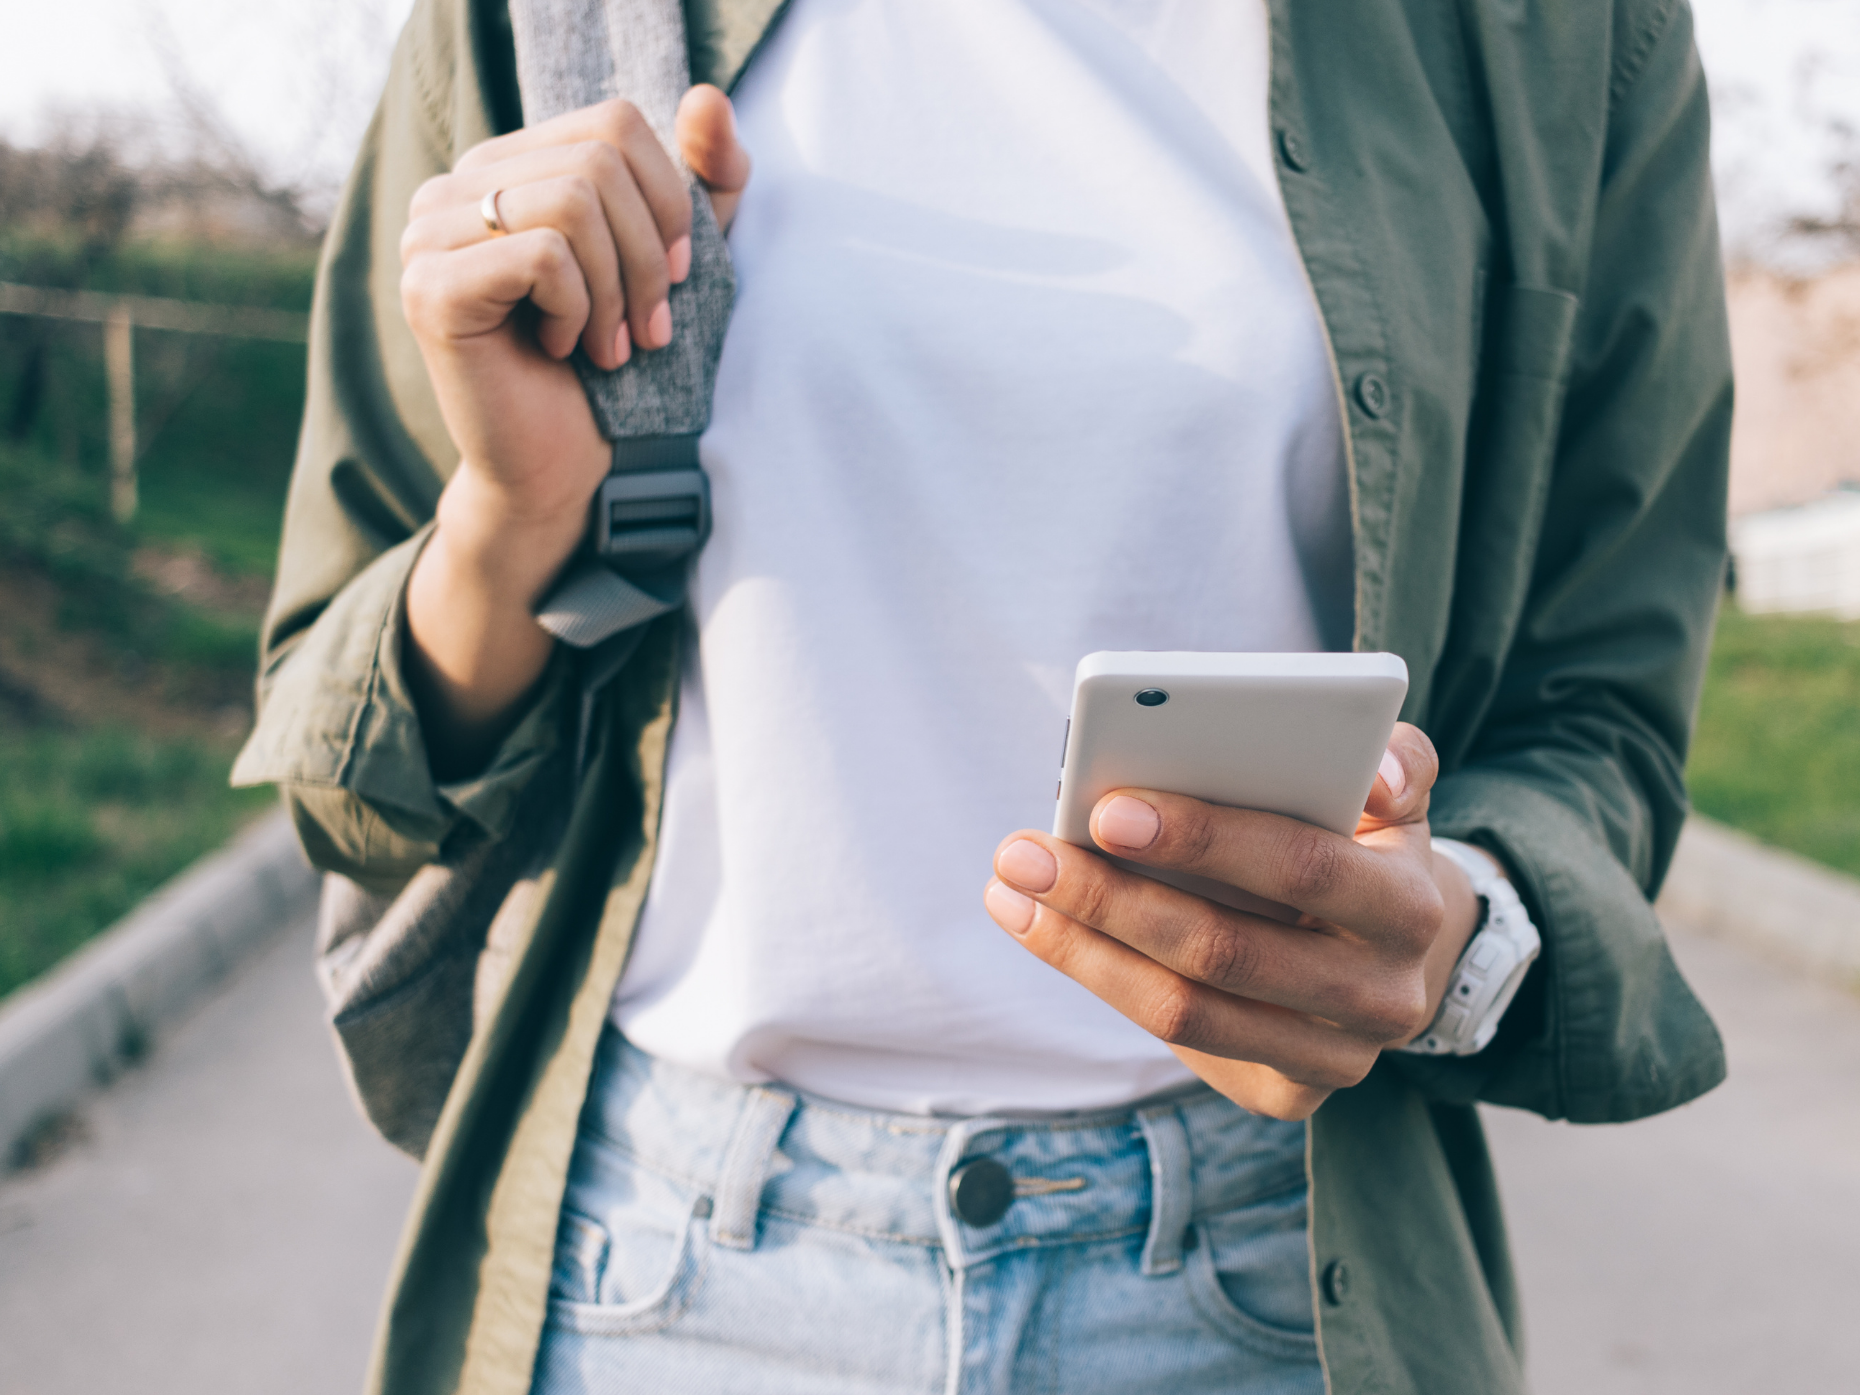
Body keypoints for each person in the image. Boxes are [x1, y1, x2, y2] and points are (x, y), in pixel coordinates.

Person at [236, 0, 1732, 1391]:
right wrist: (512, 515)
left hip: (1266, 1287)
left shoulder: (1554, 32)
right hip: (668, 1288)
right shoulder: (559, 23)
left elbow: (1599, 700)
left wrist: (1453, 920)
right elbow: (343, 781)